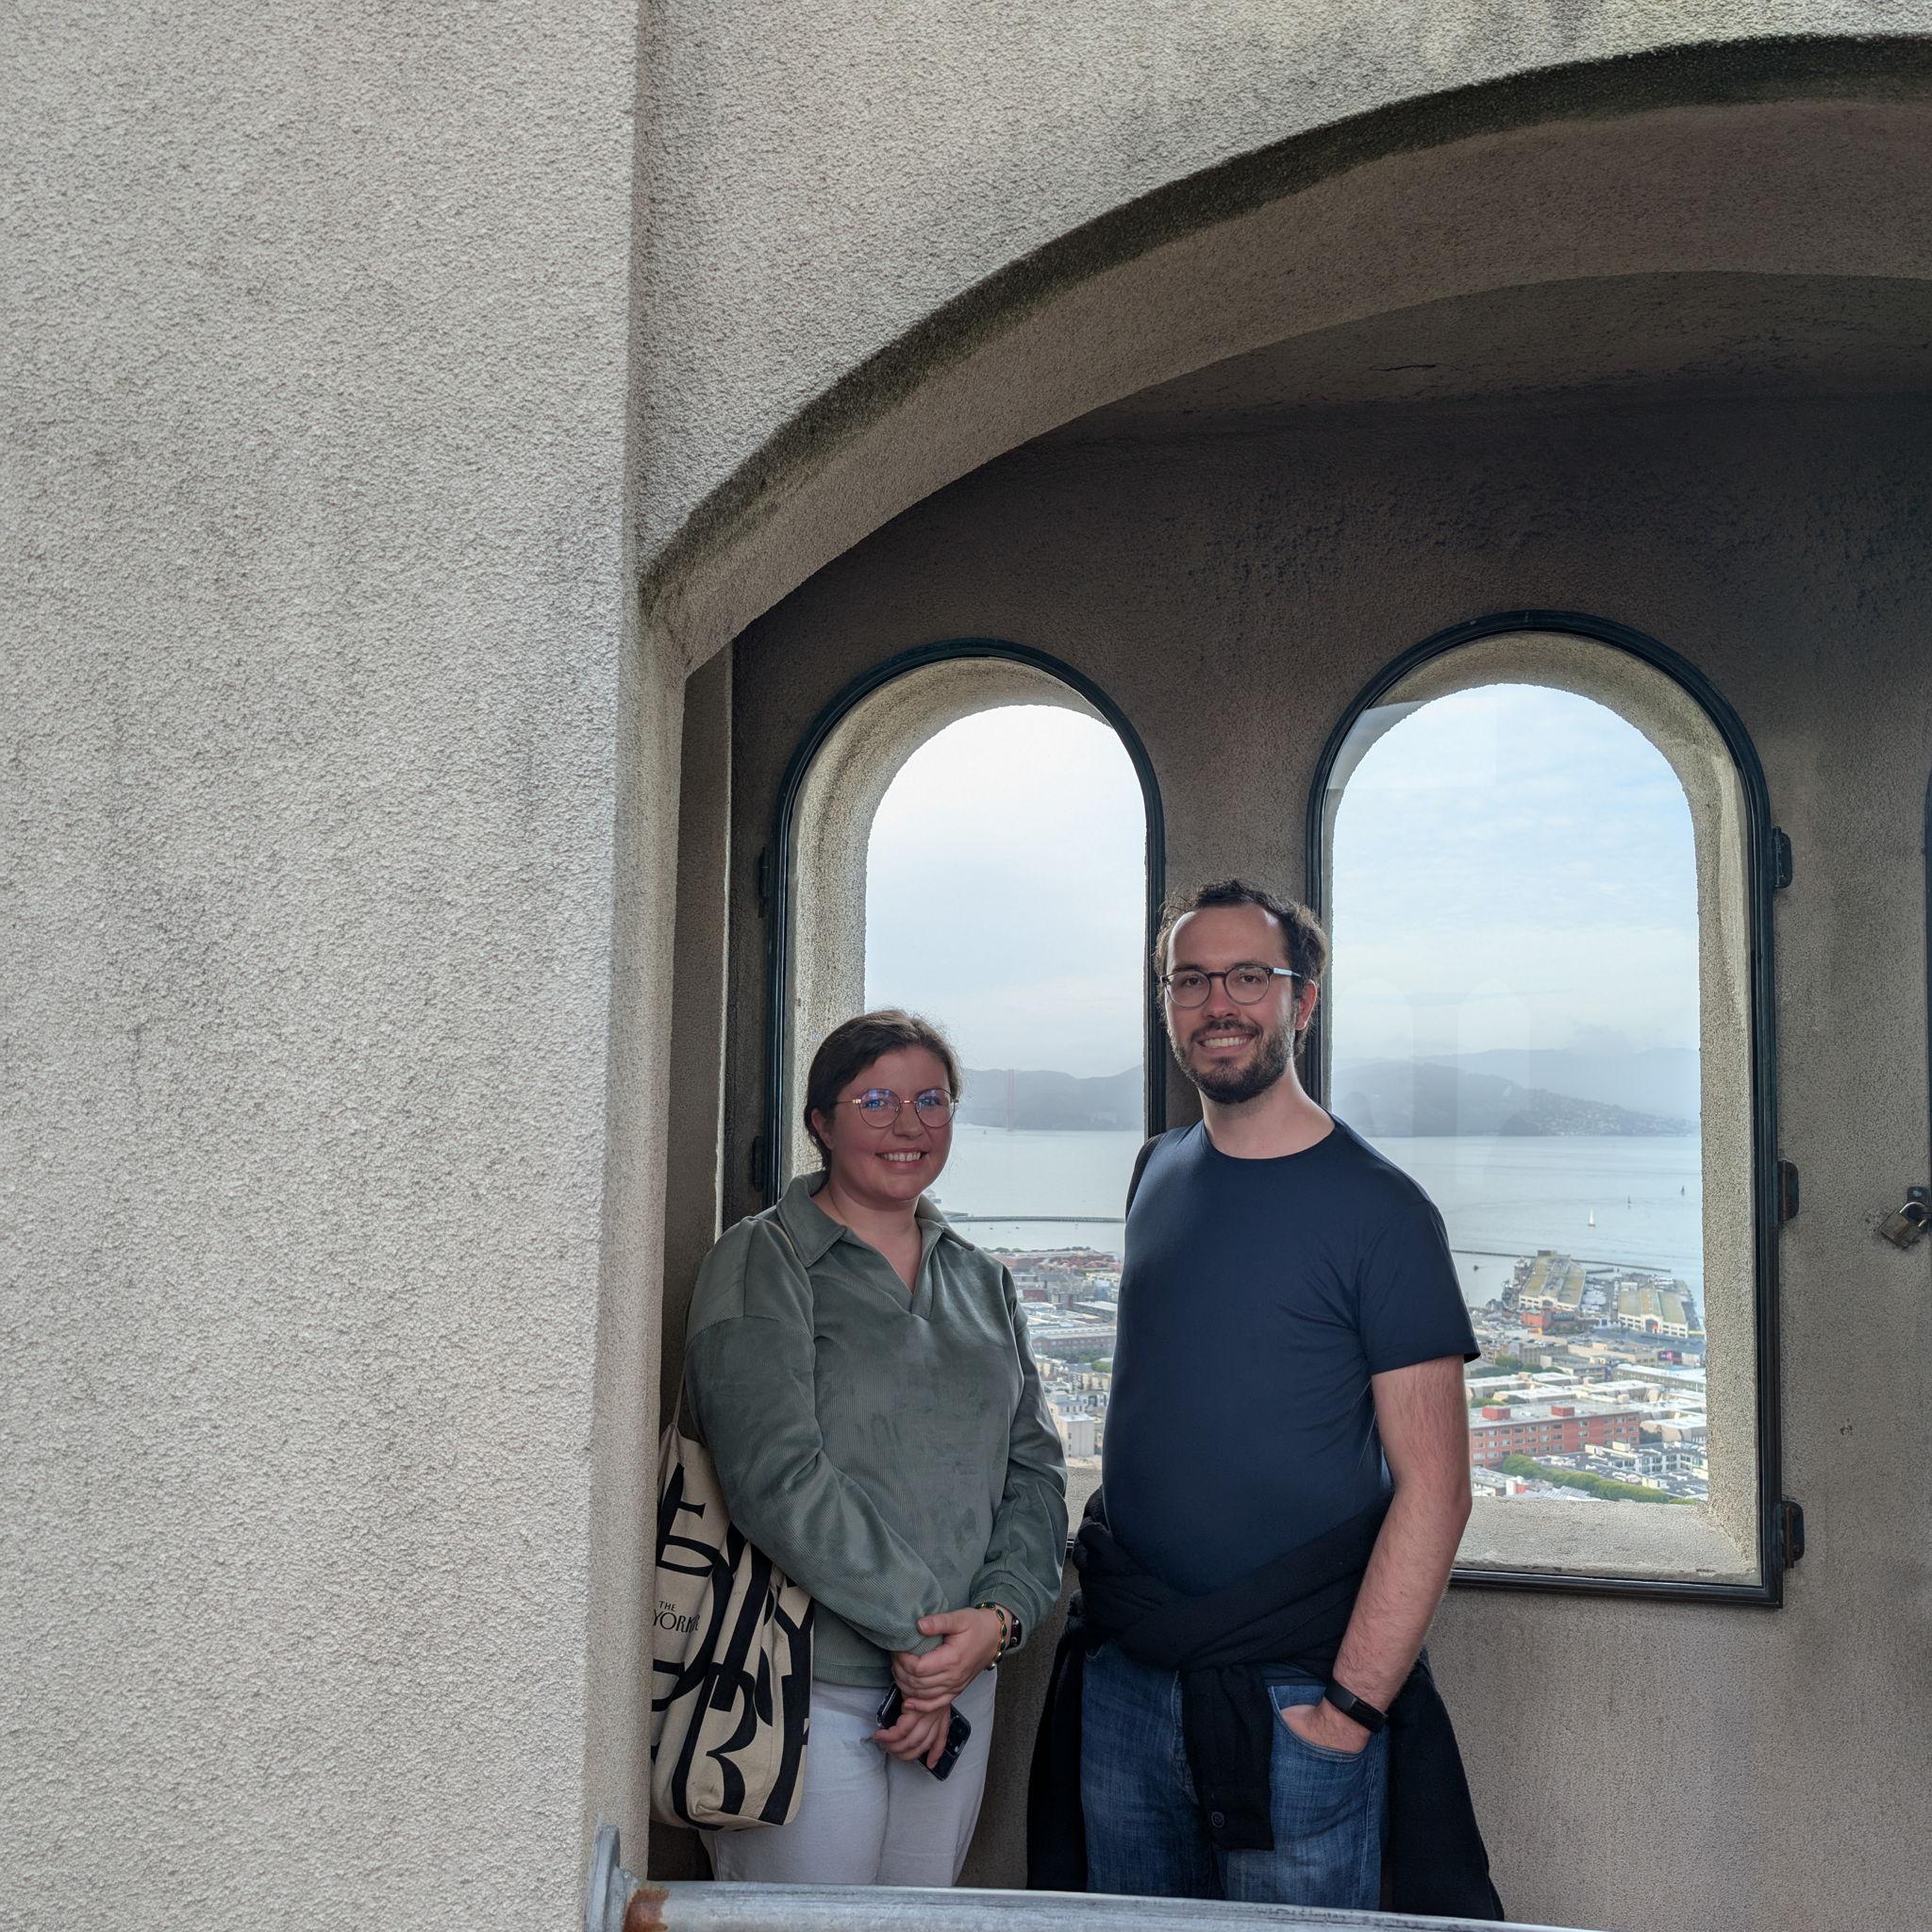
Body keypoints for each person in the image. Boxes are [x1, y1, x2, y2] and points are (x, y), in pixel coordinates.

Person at [1030, 878, 1501, 1917]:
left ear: (1304, 1000)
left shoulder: (1382, 1210)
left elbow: (1436, 1486)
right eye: (1190, 979)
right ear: (1164, 1005)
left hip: (1298, 1686)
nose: (1218, 1003)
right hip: (1129, 1670)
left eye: (1250, 974)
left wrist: (1348, 1708)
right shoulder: (1156, 1166)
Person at [685, 1008, 1068, 1886]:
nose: (908, 1126)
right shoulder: (762, 1262)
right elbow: (773, 1478)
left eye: (932, 1100)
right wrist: (921, 1642)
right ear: (820, 1123)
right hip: (802, 1691)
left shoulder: (983, 1281)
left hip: (961, 1685)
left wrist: (997, 1622)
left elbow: (1036, 1472)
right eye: (877, 1101)